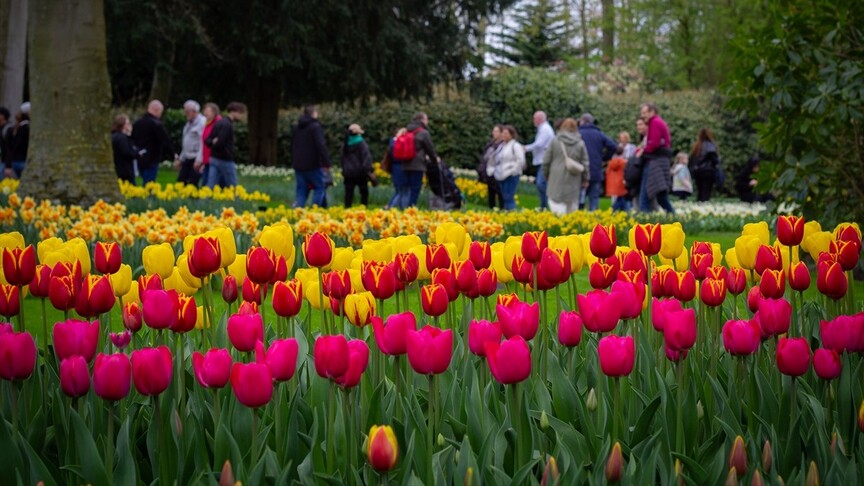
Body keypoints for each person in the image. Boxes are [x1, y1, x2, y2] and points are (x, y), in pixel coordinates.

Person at [542, 118, 588, 216]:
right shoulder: (580, 143)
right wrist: (585, 179)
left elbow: (546, 161)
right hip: (574, 179)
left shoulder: (555, 141)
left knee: (557, 206)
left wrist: (546, 174)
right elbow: (585, 163)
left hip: (556, 178)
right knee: (571, 208)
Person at [291, 105, 331, 207]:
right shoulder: (315, 127)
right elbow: (321, 145)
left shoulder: (297, 128)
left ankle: (298, 212)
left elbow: (293, 145)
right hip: (313, 164)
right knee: (319, 187)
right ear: (313, 114)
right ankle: (315, 211)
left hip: (298, 164)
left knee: (302, 190)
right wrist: (326, 162)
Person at [638, 103, 675, 214]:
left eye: (644, 113)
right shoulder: (659, 122)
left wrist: (642, 151)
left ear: (652, 112)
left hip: (655, 161)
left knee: (645, 194)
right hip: (661, 161)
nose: (642, 115)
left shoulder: (654, 122)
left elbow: (654, 143)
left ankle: (644, 222)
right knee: (661, 196)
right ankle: (673, 216)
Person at [578, 113, 618, 211]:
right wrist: (604, 158)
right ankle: (594, 222)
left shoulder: (578, 133)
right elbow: (613, 146)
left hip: (580, 170)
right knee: (594, 199)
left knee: (579, 199)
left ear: (582, 121)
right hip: (596, 169)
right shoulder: (599, 134)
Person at [204, 101, 245, 189]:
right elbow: (221, 143)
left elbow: (207, 140)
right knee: (233, 185)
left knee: (210, 184)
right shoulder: (227, 125)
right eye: (240, 113)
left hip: (213, 158)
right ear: (234, 112)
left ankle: (204, 201)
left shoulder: (219, 122)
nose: (241, 115)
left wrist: (212, 143)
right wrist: (216, 143)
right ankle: (236, 201)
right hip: (225, 159)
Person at [132, 100, 174, 185]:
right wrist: (173, 154)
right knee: (149, 182)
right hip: (152, 157)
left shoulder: (137, 123)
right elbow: (165, 140)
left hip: (139, 156)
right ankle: (149, 197)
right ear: (157, 110)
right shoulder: (157, 124)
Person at [402, 112, 438, 207]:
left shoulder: (406, 131)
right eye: (426, 119)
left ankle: (402, 209)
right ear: (422, 120)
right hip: (417, 165)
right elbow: (430, 149)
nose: (427, 122)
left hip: (405, 163)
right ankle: (410, 209)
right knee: (415, 189)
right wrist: (435, 161)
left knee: (406, 188)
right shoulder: (423, 133)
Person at [487, 125, 525, 211]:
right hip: (502, 174)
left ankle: (511, 212)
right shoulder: (502, 146)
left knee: (509, 196)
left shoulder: (515, 146)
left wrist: (513, 171)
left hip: (511, 174)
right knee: (504, 196)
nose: (504, 135)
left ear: (511, 135)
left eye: (506, 133)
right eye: (503, 133)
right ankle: (507, 212)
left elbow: (520, 160)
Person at [524, 111, 554, 210]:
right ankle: (545, 205)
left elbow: (539, 144)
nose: (533, 120)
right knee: (542, 183)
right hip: (543, 159)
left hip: (545, 160)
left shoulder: (545, 129)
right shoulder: (543, 129)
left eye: (534, 118)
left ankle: (546, 205)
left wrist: (525, 148)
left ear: (540, 119)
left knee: (541, 183)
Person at [340, 123, 374, 207]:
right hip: (360, 172)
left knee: (348, 193)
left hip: (348, 172)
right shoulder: (361, 143)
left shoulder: (345, 143)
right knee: (364, 192)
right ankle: (363, 209)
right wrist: (368, 170)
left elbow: (341, 158)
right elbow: (366, 157)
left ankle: (347, 210)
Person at [177, 100, 206, 186]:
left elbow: (203, 142)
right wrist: (181, 159)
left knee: (192, 183)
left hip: (196, 157)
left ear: (194, 111)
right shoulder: (188, 123)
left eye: (187, 112)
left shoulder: (202, 123)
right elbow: (186, 142)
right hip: (187, 157)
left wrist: (199, 160)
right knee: (181, 182)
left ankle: (193, 198)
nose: (185, 114)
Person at [689, 128, 720, 202]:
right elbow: (714, 160)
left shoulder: (697, 146)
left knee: (700, 190)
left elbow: (692, 159)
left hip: (698, 171)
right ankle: (704, 203)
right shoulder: (711, 146)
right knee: (706, 190)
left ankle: (699, 204)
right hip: (708, 170)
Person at [479, 125, 505, 209]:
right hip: (488, 170)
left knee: (499, 191)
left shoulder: (502, 146)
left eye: (496, 131)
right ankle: (491, 207)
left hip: (497, 171)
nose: (494, 133)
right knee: (491, 191)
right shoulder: (491, 144)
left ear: (501, 133)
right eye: (494, 131)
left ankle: (501, 208)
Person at [624, 118, 648, 208]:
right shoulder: (642, 140)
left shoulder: (647, 139)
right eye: (637, 125)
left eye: (641, 124)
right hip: (637, 175)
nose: (638, 127)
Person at [196, 103, 221, 187]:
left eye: (208, 111)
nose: (205, 113)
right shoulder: (207, 123)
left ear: (214, 112)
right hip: (206, 158)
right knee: (206, 180)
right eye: (205, 111)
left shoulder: (218, 123)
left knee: (209, 181)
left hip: (214, 157)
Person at [3, 103, 30, 179]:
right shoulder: (26, 128)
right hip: (23, 160)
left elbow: (10, 147)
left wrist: (8, 164)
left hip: (14, 161)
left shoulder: (15, 128)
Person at [111, 114, 138, 184]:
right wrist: (136, 153)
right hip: (125, 170)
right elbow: (126, 152)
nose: (130, 125)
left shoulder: (113, 136)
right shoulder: (123, 138)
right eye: (128, 123)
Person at [606, 145, 630, 211]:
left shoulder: (611, 162)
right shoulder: (624, 162)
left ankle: (618, 211)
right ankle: (613, 210)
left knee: (621, 198)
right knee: (622, 198)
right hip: (621, 182)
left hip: (613, 184)